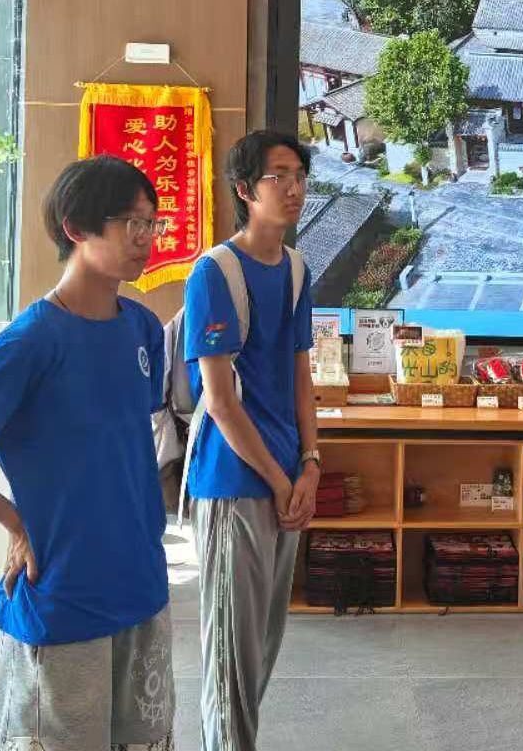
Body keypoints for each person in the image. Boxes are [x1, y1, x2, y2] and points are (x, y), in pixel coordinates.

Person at [0, 154, 175, 751]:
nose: (145, 238)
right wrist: (13, 521)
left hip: (142, 583)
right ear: (76, 228)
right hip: (63, 595)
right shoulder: (31, 341)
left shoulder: (143, 329)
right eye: (131, 223)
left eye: (151, 223)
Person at [184, 130, 318, 751]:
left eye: (300, 176)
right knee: (230, 658)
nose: (294, 189)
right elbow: (219, 399)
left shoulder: (296, 268)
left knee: (262, 645)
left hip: (286, 478)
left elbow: (300, 375)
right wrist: (281, 478)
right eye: (278, 176)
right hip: (234, 480)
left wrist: (310, 464)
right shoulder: (215, 272)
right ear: (244, 190)